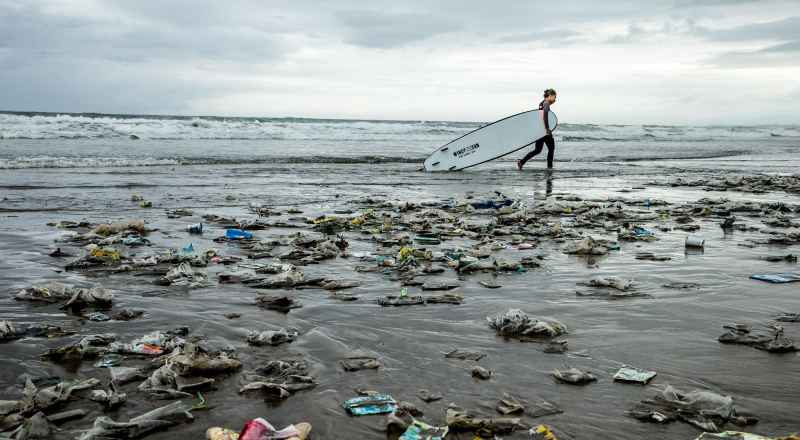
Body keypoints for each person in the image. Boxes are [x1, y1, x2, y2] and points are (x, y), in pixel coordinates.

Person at [518, 89, 557, 170]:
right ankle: (549, 168)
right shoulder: (546, 104)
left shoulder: (542, 103)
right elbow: (544, 116)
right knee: (551, 149)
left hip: (539, 130)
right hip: (544, 131)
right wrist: (547, 129)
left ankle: (522, 162)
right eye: (554, 97)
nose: (555, 99)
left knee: (537, 150)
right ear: (550, 96)